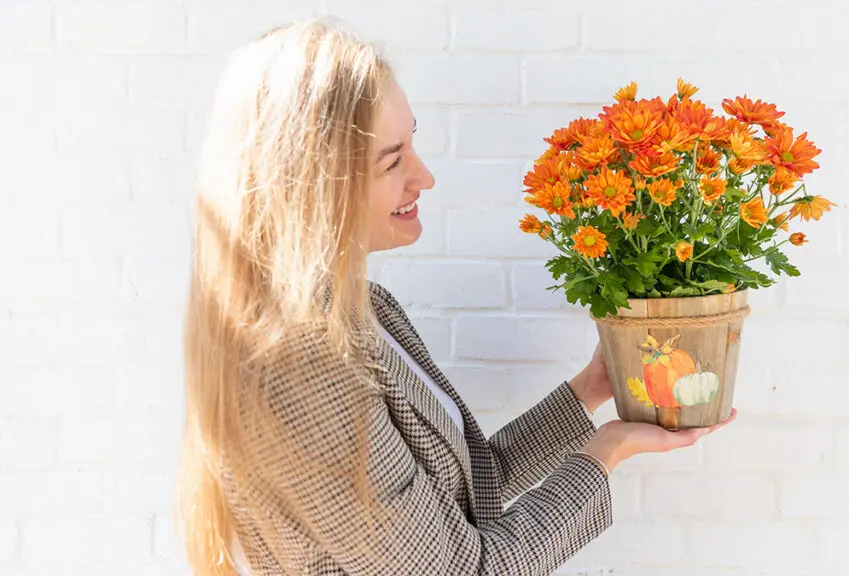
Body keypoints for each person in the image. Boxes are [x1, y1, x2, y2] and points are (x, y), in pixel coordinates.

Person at [176, 16, 737, 576]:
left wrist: (588, 392)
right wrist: (604, 452)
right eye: (392, 161)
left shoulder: (366, 311)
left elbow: (466, 490)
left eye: (412, 143)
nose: (424, 176)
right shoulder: (299, 367)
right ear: (312, 185)